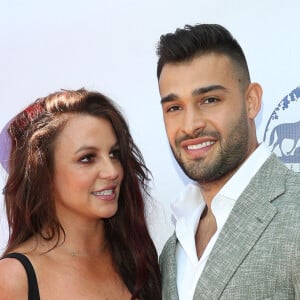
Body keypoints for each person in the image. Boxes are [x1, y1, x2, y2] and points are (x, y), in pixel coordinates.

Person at [156, 23, 300, 299]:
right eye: (174, 108)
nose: (190, 125)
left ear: (251, 101)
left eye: (209, 100)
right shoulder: (172, 249)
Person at [0, 88, 161, 300]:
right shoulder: (13, 278)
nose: (112, 171)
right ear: (44, 174)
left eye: (114, 154)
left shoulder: (139, 260)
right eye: (87, 158)